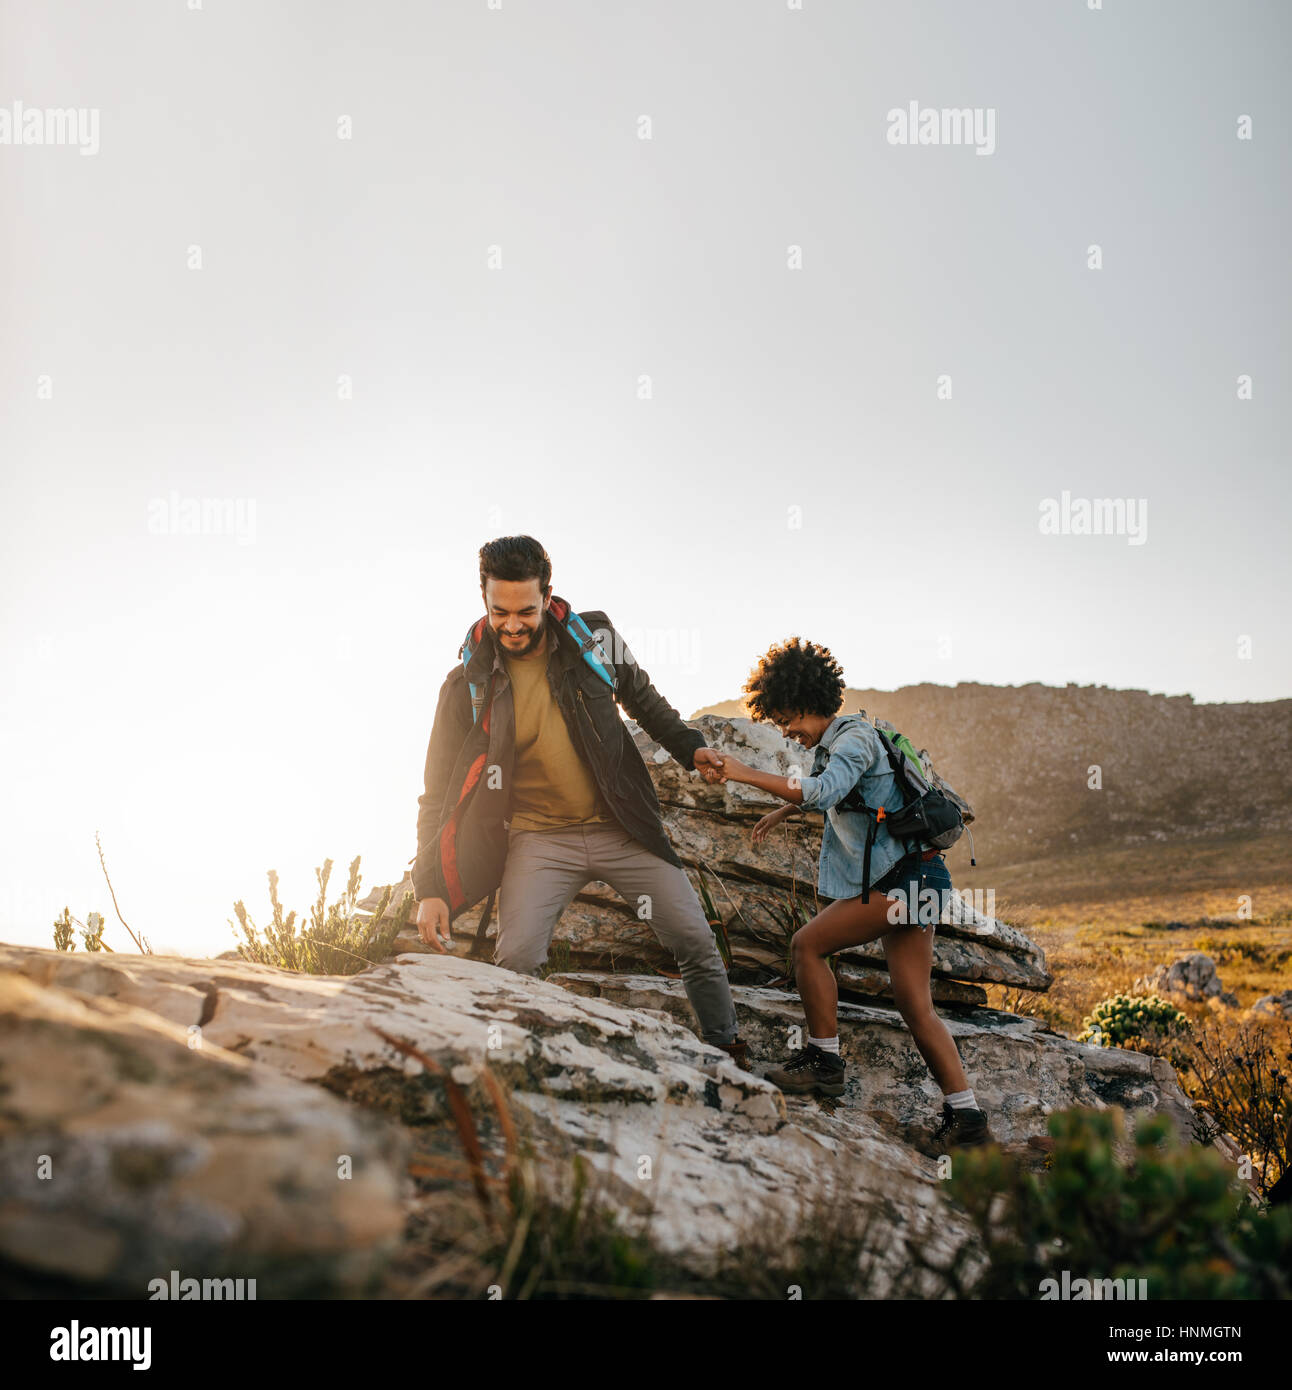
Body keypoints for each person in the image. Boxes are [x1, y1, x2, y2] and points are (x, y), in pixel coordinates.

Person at [410, 535, 749, 1065]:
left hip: (620, 826)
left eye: (526, 610)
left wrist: (692, 749)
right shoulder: (464, 684)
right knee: (517, 957)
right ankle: (512, 1067)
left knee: (695, 939)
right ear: (483, 599)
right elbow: (436, 792)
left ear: (548, 596)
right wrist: (429, 886)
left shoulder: (594, 637)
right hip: (537, 837)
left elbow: (645, 701)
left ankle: (727, 1049)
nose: (513, 624)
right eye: (500, 611)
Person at [701, 634, 993, 1148]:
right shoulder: (843, 738)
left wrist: (746, 774)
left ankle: (824, 1060)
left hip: (905, 882)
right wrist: (782, 809)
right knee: (915, 1005)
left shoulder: (852, 737)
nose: (788, 733)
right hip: (920, 877)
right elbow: (832, 786)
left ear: (803, 702)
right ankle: (968, 1121)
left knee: (807, 945)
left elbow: (825, 790)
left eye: (786, 719)